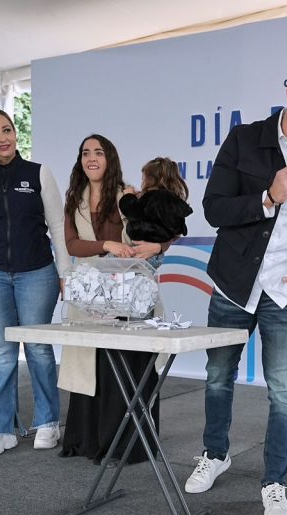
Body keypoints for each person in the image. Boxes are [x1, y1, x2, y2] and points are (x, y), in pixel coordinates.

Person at [182, 61, 287, 515]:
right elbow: (213, 208)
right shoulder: (243, 140)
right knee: (218, 379)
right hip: (234, 285)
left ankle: (274, 482)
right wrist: (267, 197)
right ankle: (215, 453)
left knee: (283, 394)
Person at [57, 139, 187, 464]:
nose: (91, 158)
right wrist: (107, 245)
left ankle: (126, 445)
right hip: (89, 296)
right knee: (92, 369)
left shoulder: (128, 195)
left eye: (98, 152)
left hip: (128, 294)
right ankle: (87, 441)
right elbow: (72, 245)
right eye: (85, 152)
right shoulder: (74, 199)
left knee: (126, 367)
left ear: (110, 158)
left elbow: (166, 226)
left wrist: (158, 248)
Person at [0, 109, 69, 457]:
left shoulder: (39, 173)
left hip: (37, 271)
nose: (1, 137)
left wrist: (65, 274)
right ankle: (0, 428)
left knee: (37, 347)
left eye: (7, 130)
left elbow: (58, 226)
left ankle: (48, 422)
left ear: (16, 133)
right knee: (3, 352)